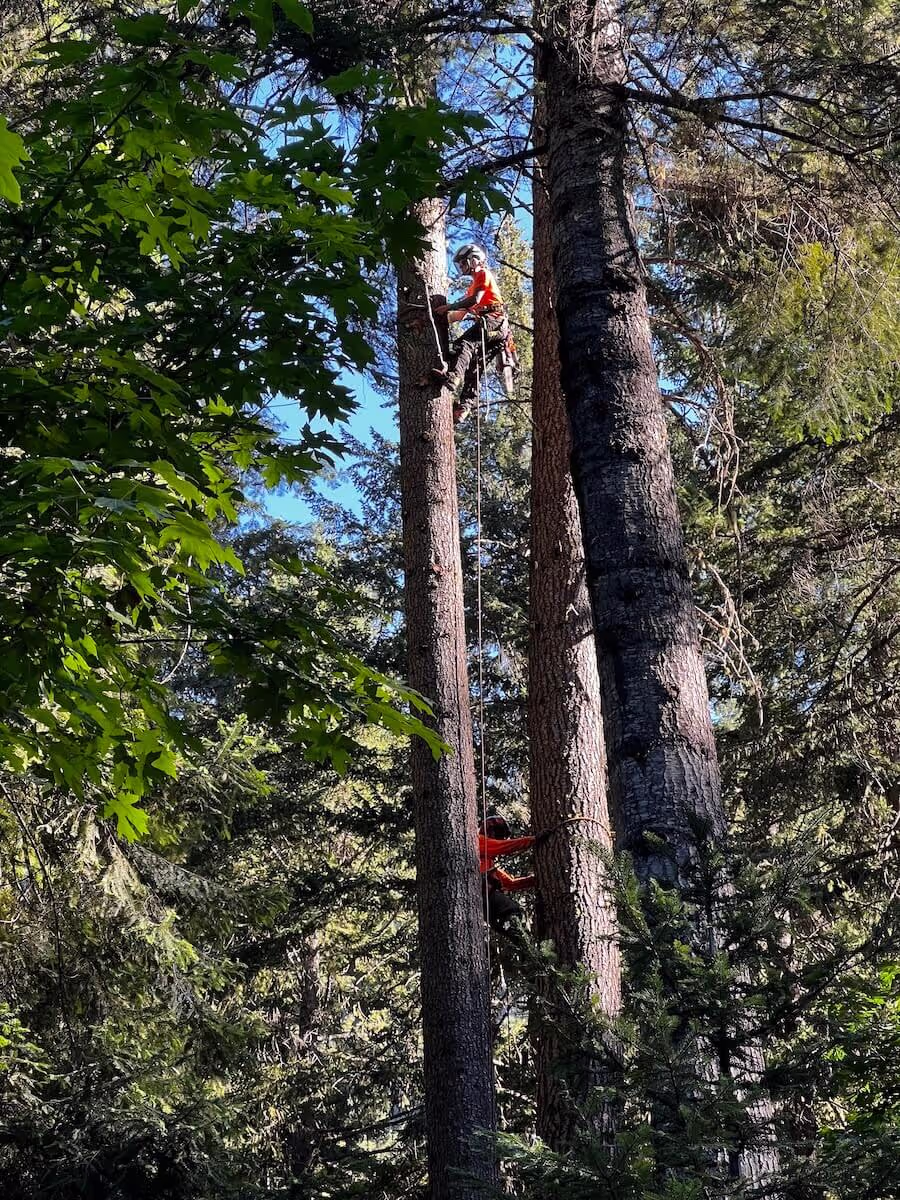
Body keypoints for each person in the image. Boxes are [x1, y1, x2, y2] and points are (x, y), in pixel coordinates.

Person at [431, 244, 512, 422]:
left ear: (473, 260)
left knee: (464, 344)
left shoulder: (483, 274)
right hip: (498, 330)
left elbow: (474, 301)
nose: (461, 267)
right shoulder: (472, 287)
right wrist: (439, 317)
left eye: (462, 263)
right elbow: (460, 314)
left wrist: (449, 306)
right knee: (475, 366)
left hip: (493, 320)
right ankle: (464, 408)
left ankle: (454, 377)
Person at [478, 813, 536, 934]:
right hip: (480, 893)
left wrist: (536, 880)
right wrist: (532, 840)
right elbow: (501, 847)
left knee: (504, 922)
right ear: (490, 831)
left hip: (483, 899)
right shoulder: (478, 841)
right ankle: (519, 938)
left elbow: (510, 883)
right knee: (512, 910)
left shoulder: (489, 864)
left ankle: (519, 943)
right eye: (497, 835)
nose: (498, 839)